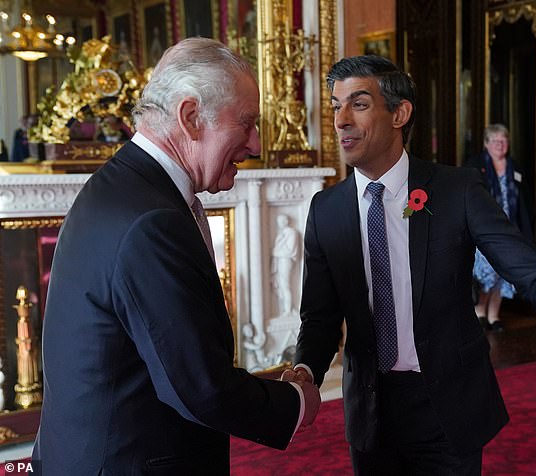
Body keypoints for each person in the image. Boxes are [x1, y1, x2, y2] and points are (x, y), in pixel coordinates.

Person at [281, 55, 536, 475]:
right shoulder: (326, 210)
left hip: (446, 404)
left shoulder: (456, 188)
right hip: (370, 409)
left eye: (359, 104)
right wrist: (304, 369)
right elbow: (319, 317)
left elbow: (520, 263)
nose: (341, 120)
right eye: (335, 106)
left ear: (399, 113)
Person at [32, 38, 320, 475]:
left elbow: (163, 359)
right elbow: (200, 389)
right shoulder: (152, 221)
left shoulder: (123, 186)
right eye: (246, 123)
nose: (257, 144)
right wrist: (298, 402)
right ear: (190, 118)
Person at [464, 124, 533, 331]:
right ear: (486, 144)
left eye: (503, 141)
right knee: (486, 274)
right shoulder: (475, 166)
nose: (500, 145)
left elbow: (524, 202)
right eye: (495, 141)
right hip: (483, 231)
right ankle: (480, 313)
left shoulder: (516, 168)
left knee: (503, 275)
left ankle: (494, 316)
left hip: (510, 231)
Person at [272, 214, 299, 316]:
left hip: (286, 261)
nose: (280, 223)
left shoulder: (292, 233)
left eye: (282, 220)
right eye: (279, 221)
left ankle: (288, 310)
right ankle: (286, 309)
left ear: (286, 221)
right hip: (280, 261)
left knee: (285, 285)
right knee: (282, 285)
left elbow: (290, 250)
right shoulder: (281, 234)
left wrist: (276, 252)